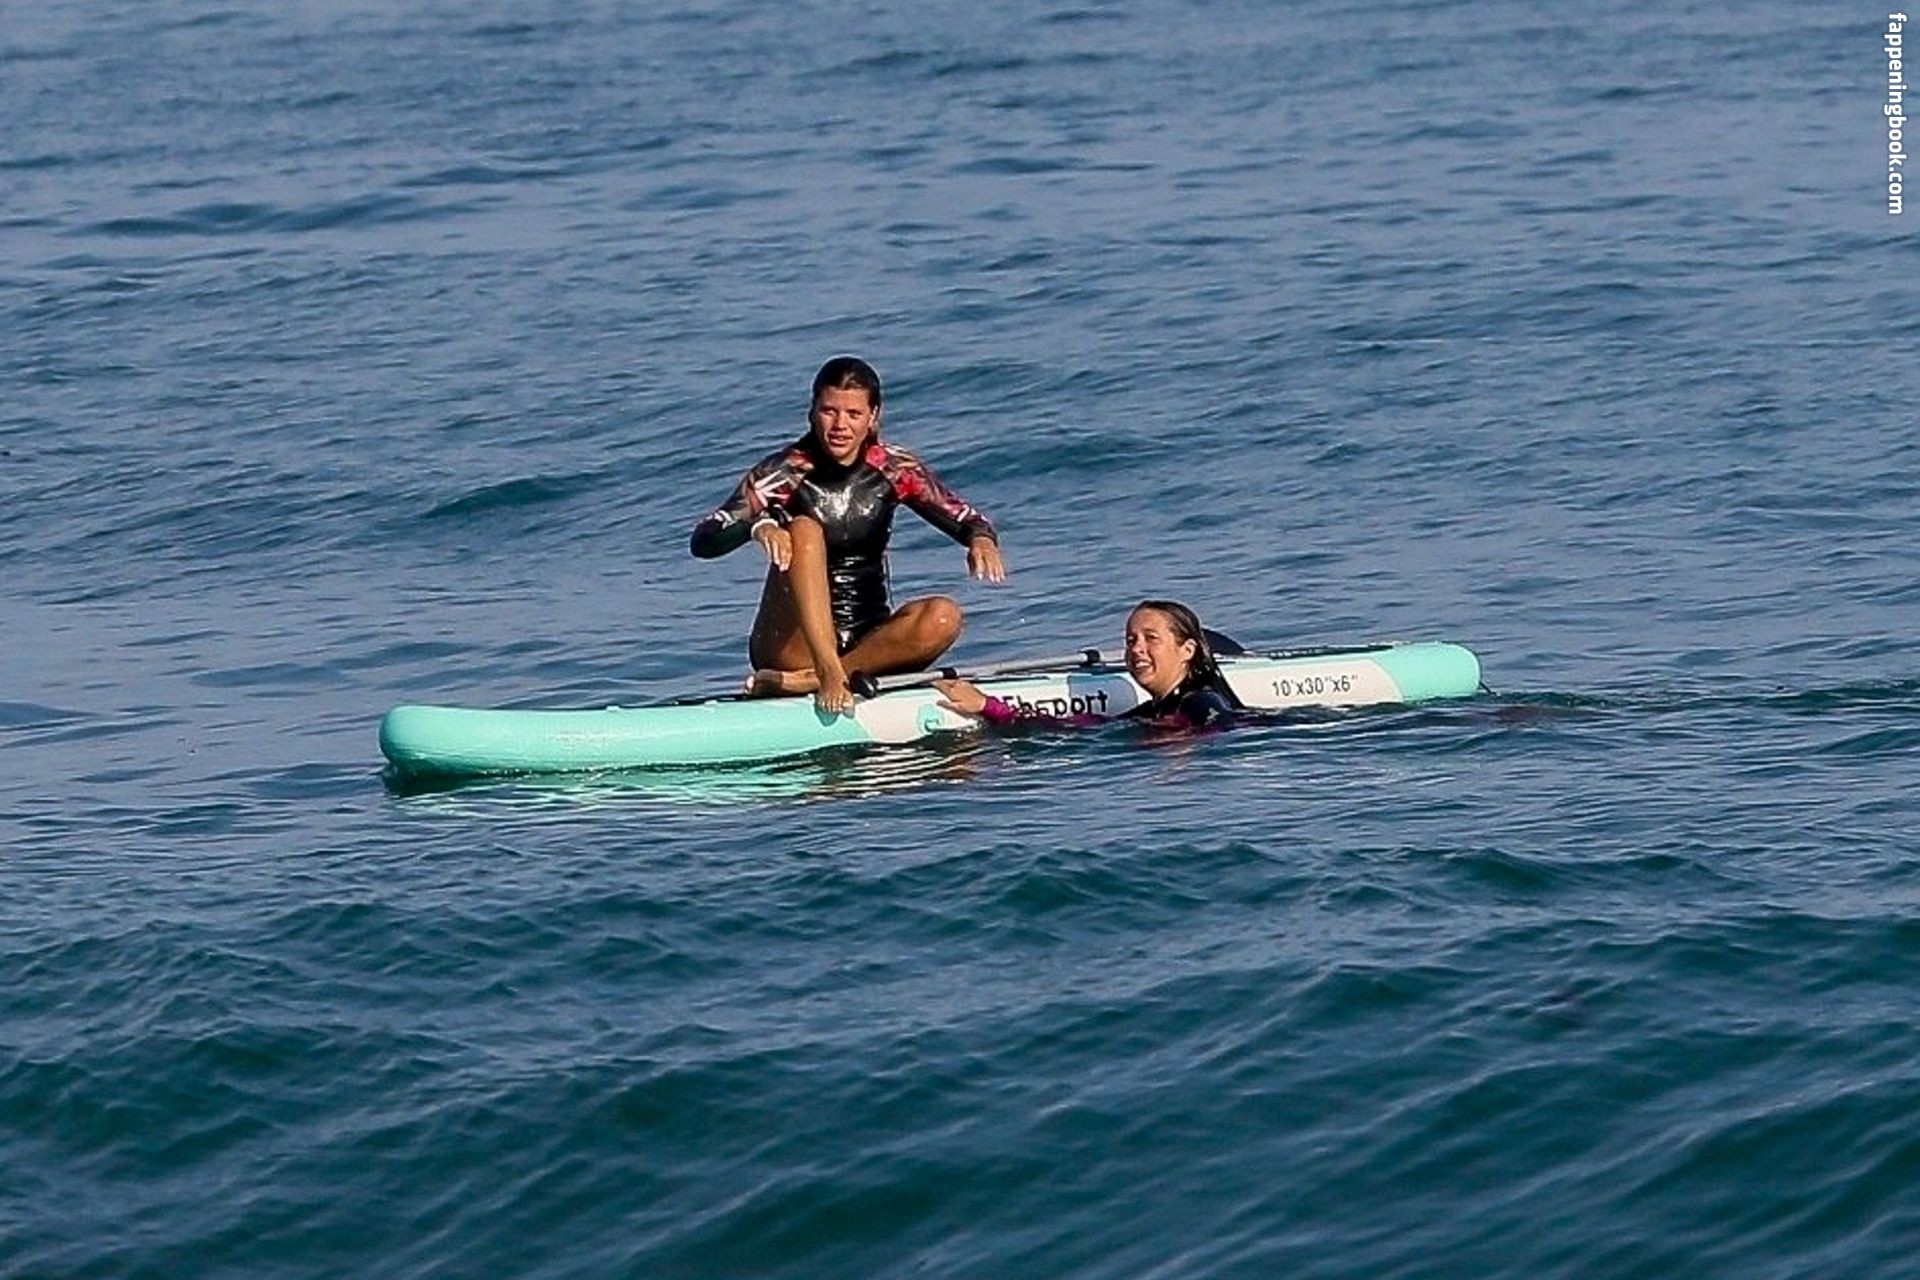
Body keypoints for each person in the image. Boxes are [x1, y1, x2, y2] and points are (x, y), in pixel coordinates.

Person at [690, 356, 1006, 712]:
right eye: (829, 411)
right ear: (812, 412)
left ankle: (817, 679)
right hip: (791, 646)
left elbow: (967, 517)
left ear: (873, 417)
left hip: (868, 641)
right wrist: (759, 525)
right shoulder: (783, 472)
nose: (840, 425)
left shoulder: (894, 468)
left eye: (854, 414)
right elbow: (704, 539)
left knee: (944, 616)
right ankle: (824, 670)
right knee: (804, 529)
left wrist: (980, 539)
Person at [934, 600, 1245, 730]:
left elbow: (1225, 728)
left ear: (1187, 650)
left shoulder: (1200, 702)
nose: (1136, 648)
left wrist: (1180, 750)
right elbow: (1067, 728)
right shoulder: (1152, 712)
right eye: (1130, 640)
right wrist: (988, 706)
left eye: (1151, 638)